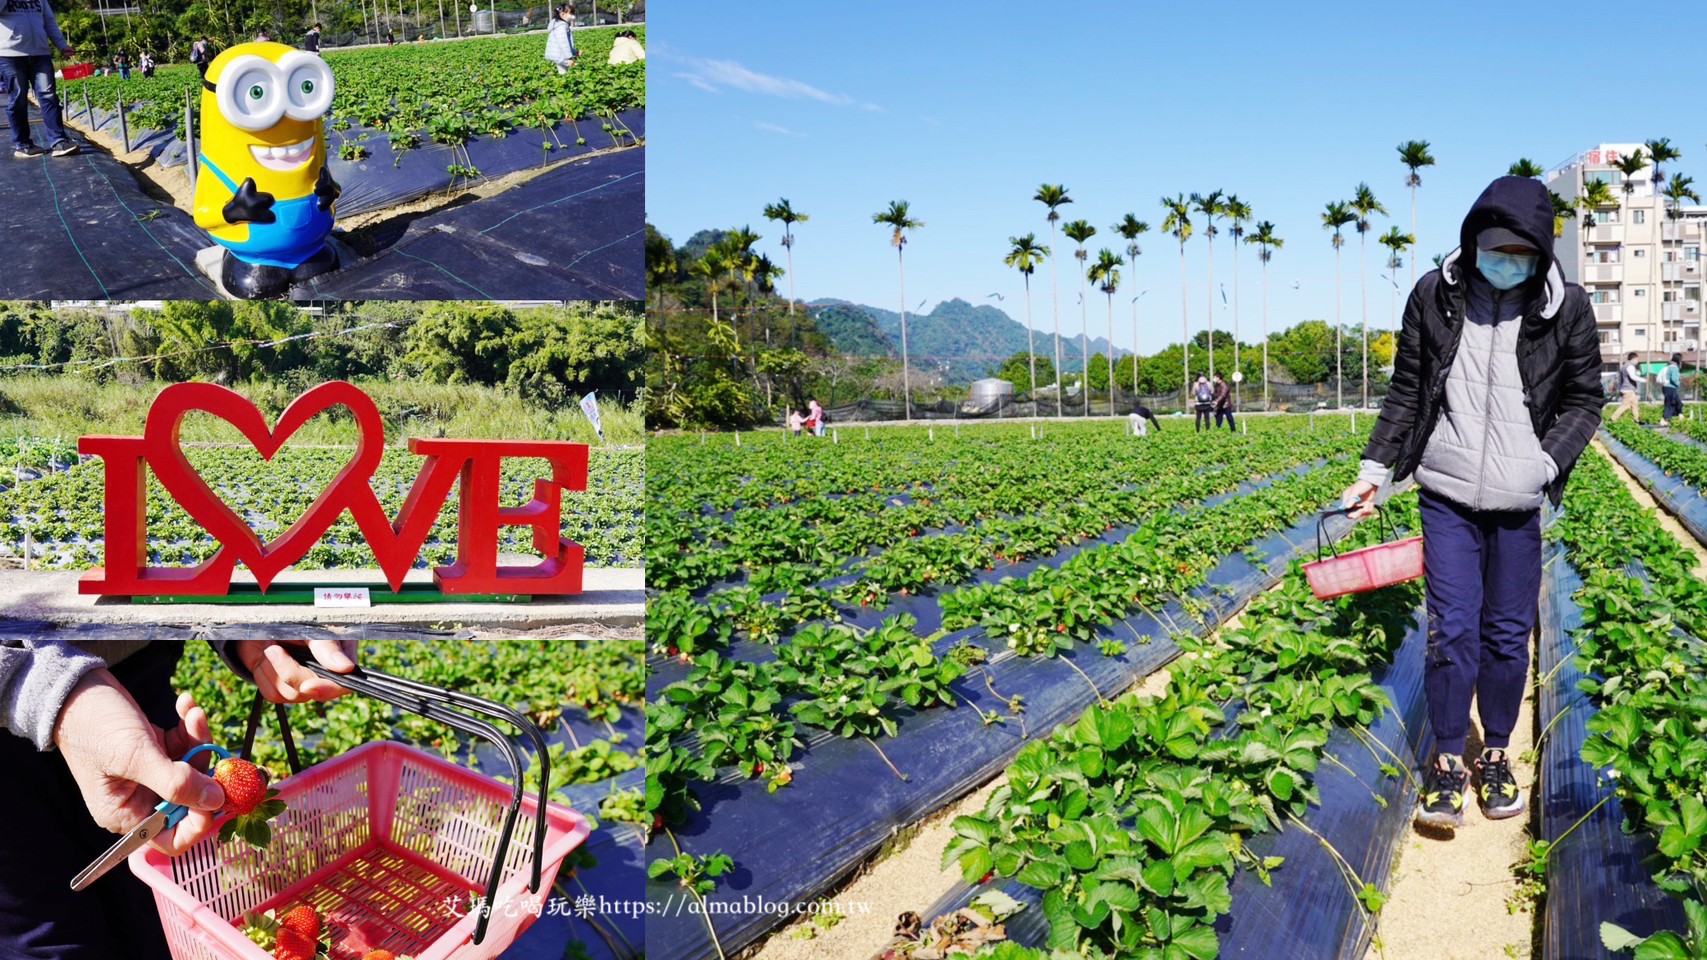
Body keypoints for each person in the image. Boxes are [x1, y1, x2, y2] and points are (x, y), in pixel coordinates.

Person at [1343, 175, 1601, 830]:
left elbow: (1583, 399)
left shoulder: (1564, 307)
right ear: (1473, 239)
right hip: (1447, 492)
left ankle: (1494, 753)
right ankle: (1448, 760)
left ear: (1541, 252)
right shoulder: (1435, 296)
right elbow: (1407, 388)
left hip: (1518, 500)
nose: (1506, 259)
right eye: (1495, 246)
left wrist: (1543, 464)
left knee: (1507, 634)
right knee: (1452, 628)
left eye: (1521, 250)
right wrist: (1373, 471)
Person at [0, 639, 360, 960]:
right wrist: (48, 691)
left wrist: (244, 627)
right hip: (14, 749)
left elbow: (192, 567)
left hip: (132, 696)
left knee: (156, 920)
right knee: (50, 939)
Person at [0, 0, 79, 159]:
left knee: (48, 95)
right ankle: (23, 145)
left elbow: (49, 21)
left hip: (40, 53)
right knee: (18, 98)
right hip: (10, 54)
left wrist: (62, 45)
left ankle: (59, 142)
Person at [1609, 351, 1642, 423]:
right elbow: (1633, 377)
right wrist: (1643, 380)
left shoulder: (1623, 366)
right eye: (1637, 359)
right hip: (1628, 389)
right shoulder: (1630, 366)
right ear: (1634, 359)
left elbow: (1618, 377)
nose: (1637, 361)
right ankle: (1613, 418)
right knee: (1625, 405)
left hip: (1626, 389)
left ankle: (1637, 419)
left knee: (1634, 404)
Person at [543, 3, 575, 73]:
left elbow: (568, 43)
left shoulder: (559, 24)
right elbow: (564, 43)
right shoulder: (561, 27)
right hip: (559, 56)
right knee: (563, 74)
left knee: (563, 72)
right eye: (571, 14)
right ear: (563, 14)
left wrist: (574, 52)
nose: (573, 16)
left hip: (558, 55)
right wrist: (568, 59)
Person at [1662, 352, 1683, 424]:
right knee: (1670, 404)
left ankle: (1680, 415)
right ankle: (1664, 419)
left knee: (1677, 402)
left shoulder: (1669, 366)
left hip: (1666, 387)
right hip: (1671, 387)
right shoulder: (1674, 368)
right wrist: (1678, 384)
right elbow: (1673, 379)